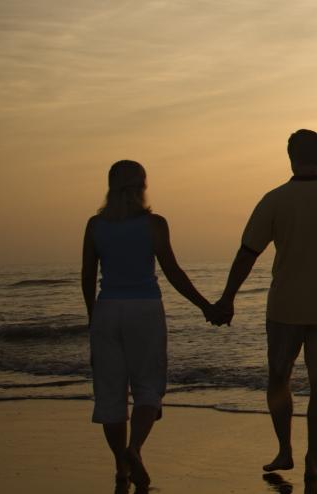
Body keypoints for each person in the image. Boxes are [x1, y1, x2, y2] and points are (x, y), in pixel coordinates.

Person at [214, 129, 317, 481]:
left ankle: (285, 449)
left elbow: (247, 253)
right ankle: (313, 459)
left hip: (285, 306)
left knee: (279, 378)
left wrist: (227, 297)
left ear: (289, 155)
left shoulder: (274, 200)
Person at [81, 160, 216, 489]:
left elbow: (87, 277)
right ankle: (135, 448)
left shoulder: (95, 225)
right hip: (144, 310)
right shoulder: (154, 224)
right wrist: (205, 306)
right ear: (142, 186)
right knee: (148, 387)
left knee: (111, 394)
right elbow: (173, 272)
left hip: (107, 309)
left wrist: (93, 317)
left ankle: (121, 468)